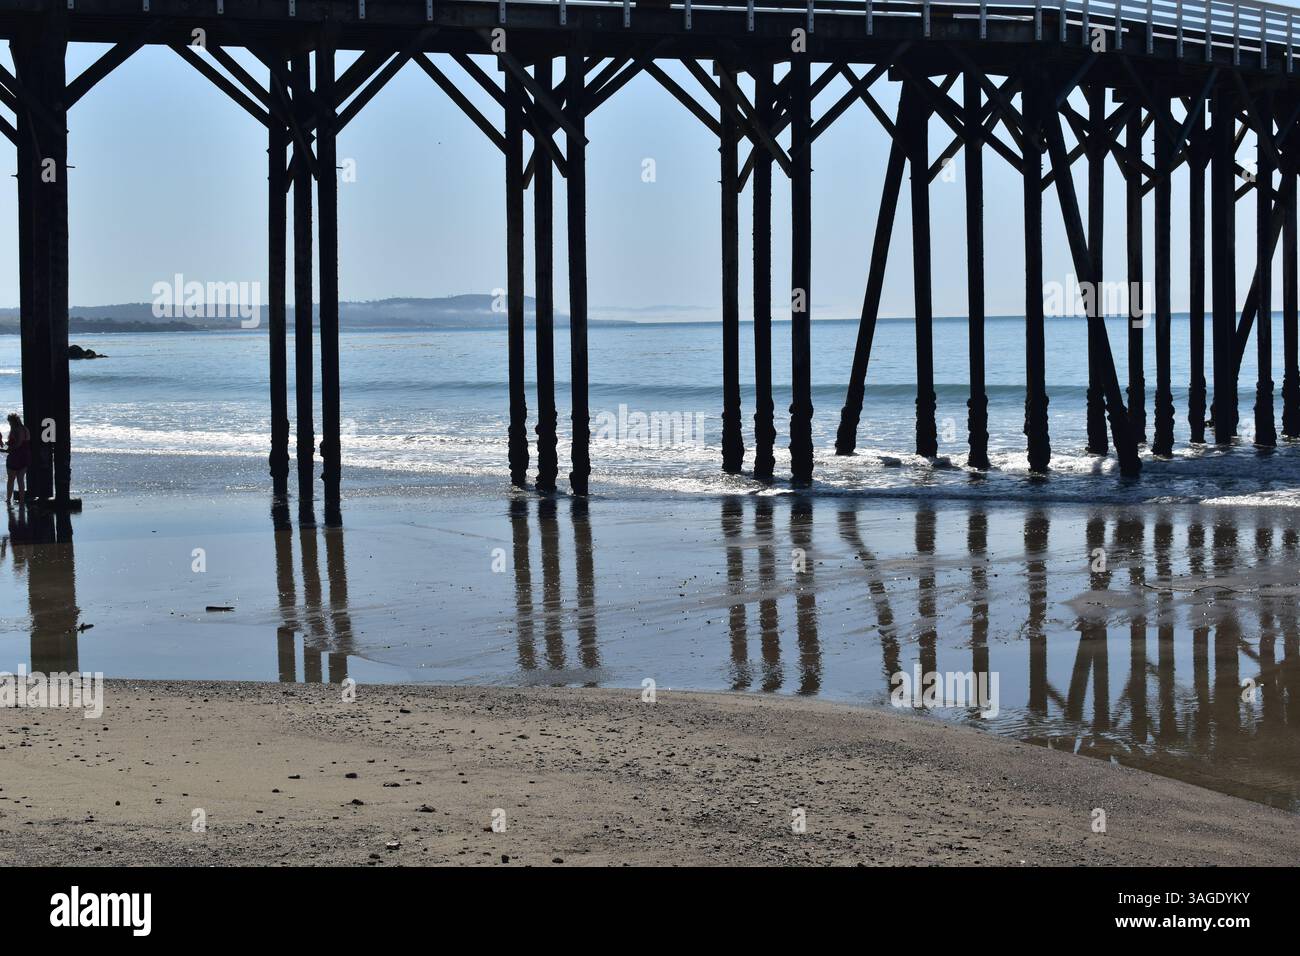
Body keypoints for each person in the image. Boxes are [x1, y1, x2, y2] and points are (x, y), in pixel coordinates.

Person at [4, 413, 31, 506]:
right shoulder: (25, 429)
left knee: (11, 479)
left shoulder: (16, 430)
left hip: (15, 456)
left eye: (9, 422)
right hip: (25, 456)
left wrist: (8, 448)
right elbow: (24, 443)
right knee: (20, 479)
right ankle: (22, 500)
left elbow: (18, 444)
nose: (9, 424)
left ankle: (8, 499)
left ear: (12, 421)